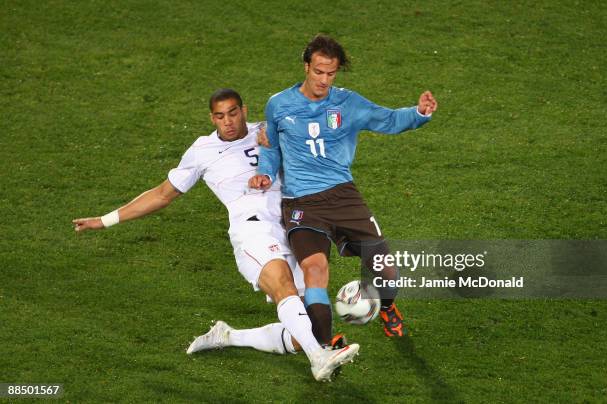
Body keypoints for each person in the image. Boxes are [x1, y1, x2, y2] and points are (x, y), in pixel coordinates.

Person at [72, 88, 359, 382]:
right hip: (253, 229)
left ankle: (229, 336)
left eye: (233, 113)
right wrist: (104, 220)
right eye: (220, 116)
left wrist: (284, 142)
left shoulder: (268, 130)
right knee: (283, 286)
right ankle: (319, 358)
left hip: (295, 226)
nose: (228, 122)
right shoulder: (201, 151)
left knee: (302, 333)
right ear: (212, 118)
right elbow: (161, 195)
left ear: (244, 111)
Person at [249, 35, 438, 344]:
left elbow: (387, 119)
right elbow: (271, 146)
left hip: (343, 196)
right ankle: (323, 346)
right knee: (314, 269)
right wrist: (265, 174)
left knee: (386, 269)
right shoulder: (279, 104)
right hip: (301, 202)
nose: (324, 80)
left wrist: (419, 114)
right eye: (319, 71)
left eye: (331, 73)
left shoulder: (347, 103)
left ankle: (387, 307)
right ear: (307, 66)